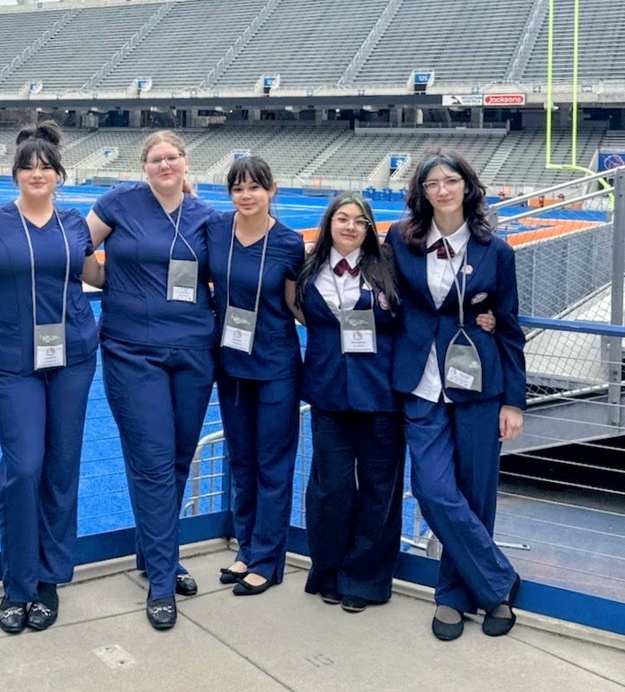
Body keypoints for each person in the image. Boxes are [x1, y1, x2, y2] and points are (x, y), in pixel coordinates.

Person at [0, 122, 101, 634]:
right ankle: (16, 581)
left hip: (74, 357)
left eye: (46, 167)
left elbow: (96, 275)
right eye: (28, 166)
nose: (37, 173)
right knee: (24, 467)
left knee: (62, 466)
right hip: (9, 359)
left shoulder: (74, 225)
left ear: (59, 174)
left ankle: (48, 579)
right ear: (15, 173)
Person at [387, 149, 526, 641]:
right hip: (422, 383)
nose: (442, 191)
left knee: (475, 494)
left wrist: (514, 400)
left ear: (467, 187)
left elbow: (509, 328)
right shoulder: (401, 241)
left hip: (480, 387)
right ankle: (498, 582)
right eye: (431, 184)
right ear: (421, 193)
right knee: (432, 488)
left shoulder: (497, 251)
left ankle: (453, 595)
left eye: (450, 181)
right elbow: (386, 298)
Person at [86, 130, 217, 630]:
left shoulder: (205, 217)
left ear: (186, 163)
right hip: (132, 351)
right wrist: (104, 279)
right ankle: (162, 580)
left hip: (193, 352)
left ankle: (153, 553)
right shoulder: (120, 202)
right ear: (144, 166)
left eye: (173, 157)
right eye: (156, 158)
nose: (165, 164)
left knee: (180, 456)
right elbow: (74, 246)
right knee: (153, 462)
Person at [291, 193, 405, 613]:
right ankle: (330, 570)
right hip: (328, 392)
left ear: (370, 228)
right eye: (343, 218)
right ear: (329, 223)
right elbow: (295, 309)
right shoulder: (309, 268)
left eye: (360, 221)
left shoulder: (390, 266)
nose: (351, 226)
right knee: (329, 487)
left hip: (380, 393)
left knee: (379, 490)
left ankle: (367, 578)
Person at [206, 156, 305, 596]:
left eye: (255, 188)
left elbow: (297, 306)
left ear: (272, 190)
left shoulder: (287, 242)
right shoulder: (216, 230)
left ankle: (268, 558)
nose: (247, 196)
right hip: (232, 364)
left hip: (276, 365)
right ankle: (246, 548)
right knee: (241, 460)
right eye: (238, 188)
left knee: (272, 464)